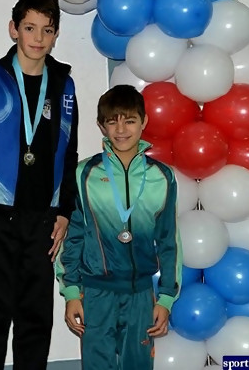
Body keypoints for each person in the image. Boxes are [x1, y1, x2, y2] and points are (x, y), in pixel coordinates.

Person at [0, 0, 79, 370]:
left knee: (35, 323)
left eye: (47, 30)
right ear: (14, 29)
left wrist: (64, 211)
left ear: (56, 35)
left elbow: (69, 152)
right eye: (30, 27)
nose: (38, 38)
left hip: (42, 220)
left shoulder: (64, 84)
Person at [56, 84, 182, 370]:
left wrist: (165, 298)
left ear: (144, 122)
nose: (121, 129)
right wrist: (72, 292)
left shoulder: (162, 176)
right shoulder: (84, 173)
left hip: (140, 295)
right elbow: (72, 237)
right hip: (95, 293)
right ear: (101, 126)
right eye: (112, 122)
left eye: (130, 120)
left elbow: (169, 241)